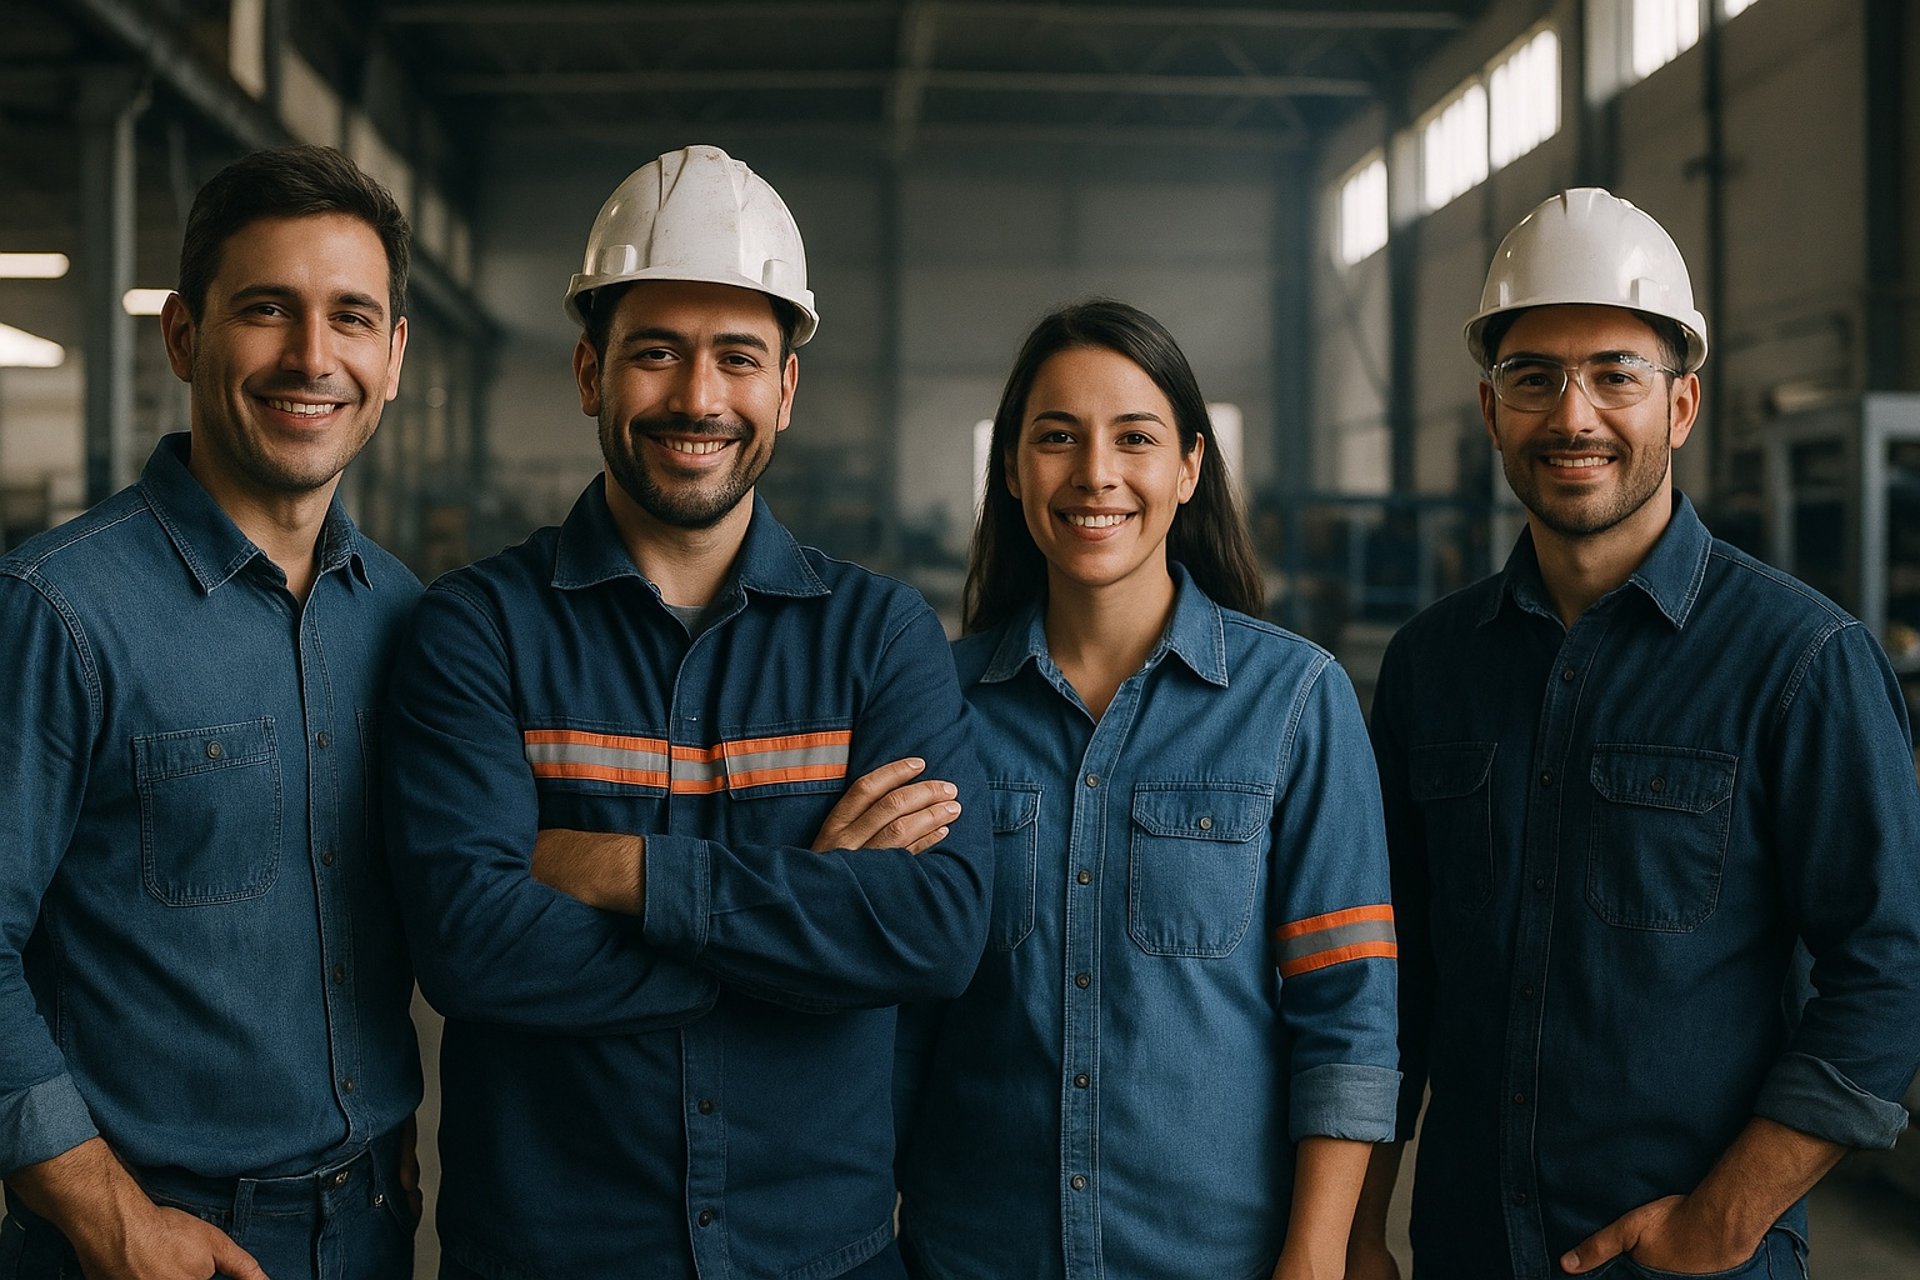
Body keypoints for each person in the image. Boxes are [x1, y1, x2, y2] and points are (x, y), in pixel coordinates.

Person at [383, 143, 991, 1279]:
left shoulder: (880, 636)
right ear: (588, 372)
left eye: (737, 357)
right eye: (654, 352)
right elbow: (472, 946)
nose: (698, 398)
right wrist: (809, 920)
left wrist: (627, 874)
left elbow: (937, 930)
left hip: (822, 1255)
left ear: (786, 389)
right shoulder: (476, 629)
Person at [1349, 189, 1920, 1280]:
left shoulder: (1800, 661)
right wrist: (1358, 1221)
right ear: (1489, 408)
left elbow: (1889, 972)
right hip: (1466, 1246)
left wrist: (1721, 1222)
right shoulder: (1433, 665)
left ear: (1684, 405)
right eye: (1534, 378)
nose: (1574, 415)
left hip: (1689, 1261)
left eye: (1616, 372)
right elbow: (1395, 975)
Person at [894, 299, 1401, 1280]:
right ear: (1010, 467)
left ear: (1189, 467)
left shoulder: (1294, 702)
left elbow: (1348, 1009)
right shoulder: (935, 708)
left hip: (1216, 1258)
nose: (1095, 472)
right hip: (976, 1254)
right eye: (1056, 437)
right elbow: (900, 1011)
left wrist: (1315, 1254)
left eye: (1135, 436)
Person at [0, 145, 422, 1279]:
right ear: (184, 335)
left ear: (392, 358)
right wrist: (110, 1221)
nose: (310, 356)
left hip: (374, 1226)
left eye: (350, 317)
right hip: (142, 1238)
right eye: (266, 309)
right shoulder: (59, 611)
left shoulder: (409, 620)